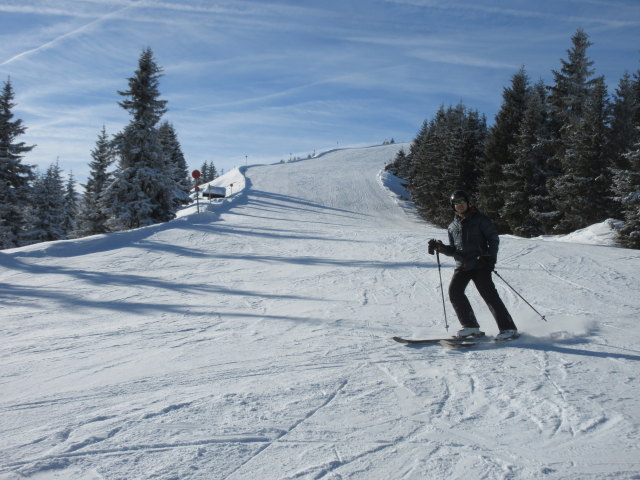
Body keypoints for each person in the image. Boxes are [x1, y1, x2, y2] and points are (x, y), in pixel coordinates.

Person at [428, 190, 519, 341]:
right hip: (462, 265)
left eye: (462, 201)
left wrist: (490, 256)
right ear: (453, 206)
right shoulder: (452, 226)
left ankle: (508, 328)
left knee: (489, 295)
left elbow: (493, 239)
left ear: (468, 202)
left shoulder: (481, 220)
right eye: (456, 203)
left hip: (480, 264)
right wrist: (441, 248)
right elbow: (454, 250)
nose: (459, 205)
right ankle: (470, 326)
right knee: (455, 292)